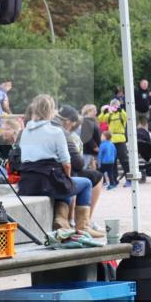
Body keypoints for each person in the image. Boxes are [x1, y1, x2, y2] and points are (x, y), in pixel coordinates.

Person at [17, 95, 94, 232]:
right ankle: (83, 227)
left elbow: (23, 159)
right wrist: (67, 179)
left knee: (64, 184)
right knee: (82, 183)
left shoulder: (24, 132)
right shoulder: (56, 132)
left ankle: (62, 221)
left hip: (27, 184)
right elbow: (67, 164)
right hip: (48, 183)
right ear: (51, 111)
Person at [56, 105, 105, 238]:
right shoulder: (63, 133)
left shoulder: (38, 128)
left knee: (73, 176)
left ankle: (66, 220)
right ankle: (83, 223)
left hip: (38, 175)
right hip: (58, 176)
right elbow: (76, 162)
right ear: (68, 122)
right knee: (90, 180)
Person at [98, 99, 131, 187]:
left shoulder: (121, 113)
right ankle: (114, 180)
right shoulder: (109, 115)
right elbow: (100, 120)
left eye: (116, 105)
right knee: (113, 161)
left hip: (120, 139)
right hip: (111, 141)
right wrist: (104, 111)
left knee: (124, 160)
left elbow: (127, 117)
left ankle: (129, 179)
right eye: (113, 105)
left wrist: (121, 110)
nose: (114, 107)